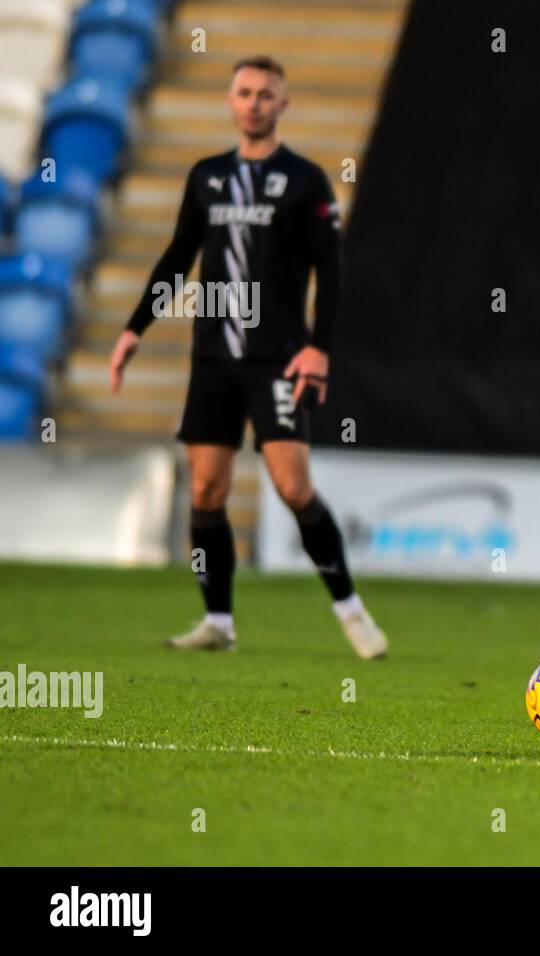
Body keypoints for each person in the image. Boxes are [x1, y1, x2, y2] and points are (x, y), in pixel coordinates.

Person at [108, 55, 387, 660]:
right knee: (207, 490)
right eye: (245, 92)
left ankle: (350, 608)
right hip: (213, 359)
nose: (254, 103)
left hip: (278, 358)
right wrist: (135, 328)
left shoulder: (306, 180)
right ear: (231, 101)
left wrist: (319, 347)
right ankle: (218, 620)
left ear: (282, 105)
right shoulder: (206, 177)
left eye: (266, 94)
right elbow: (178, 258)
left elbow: (330, 270)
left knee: (293, 487)